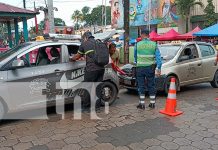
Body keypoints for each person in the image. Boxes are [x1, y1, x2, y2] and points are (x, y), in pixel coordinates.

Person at [134, 30, 162, 109]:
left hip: (140, 68)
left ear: (142, 35)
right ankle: (152, 103)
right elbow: (158, 58)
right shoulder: (154, 44)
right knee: (151, 85)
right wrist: (159, 68)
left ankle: (142, 104)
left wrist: (138, 62)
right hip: (150, 68)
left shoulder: (137, 44)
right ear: (148, 35)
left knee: (141, 86)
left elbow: (135, 57)